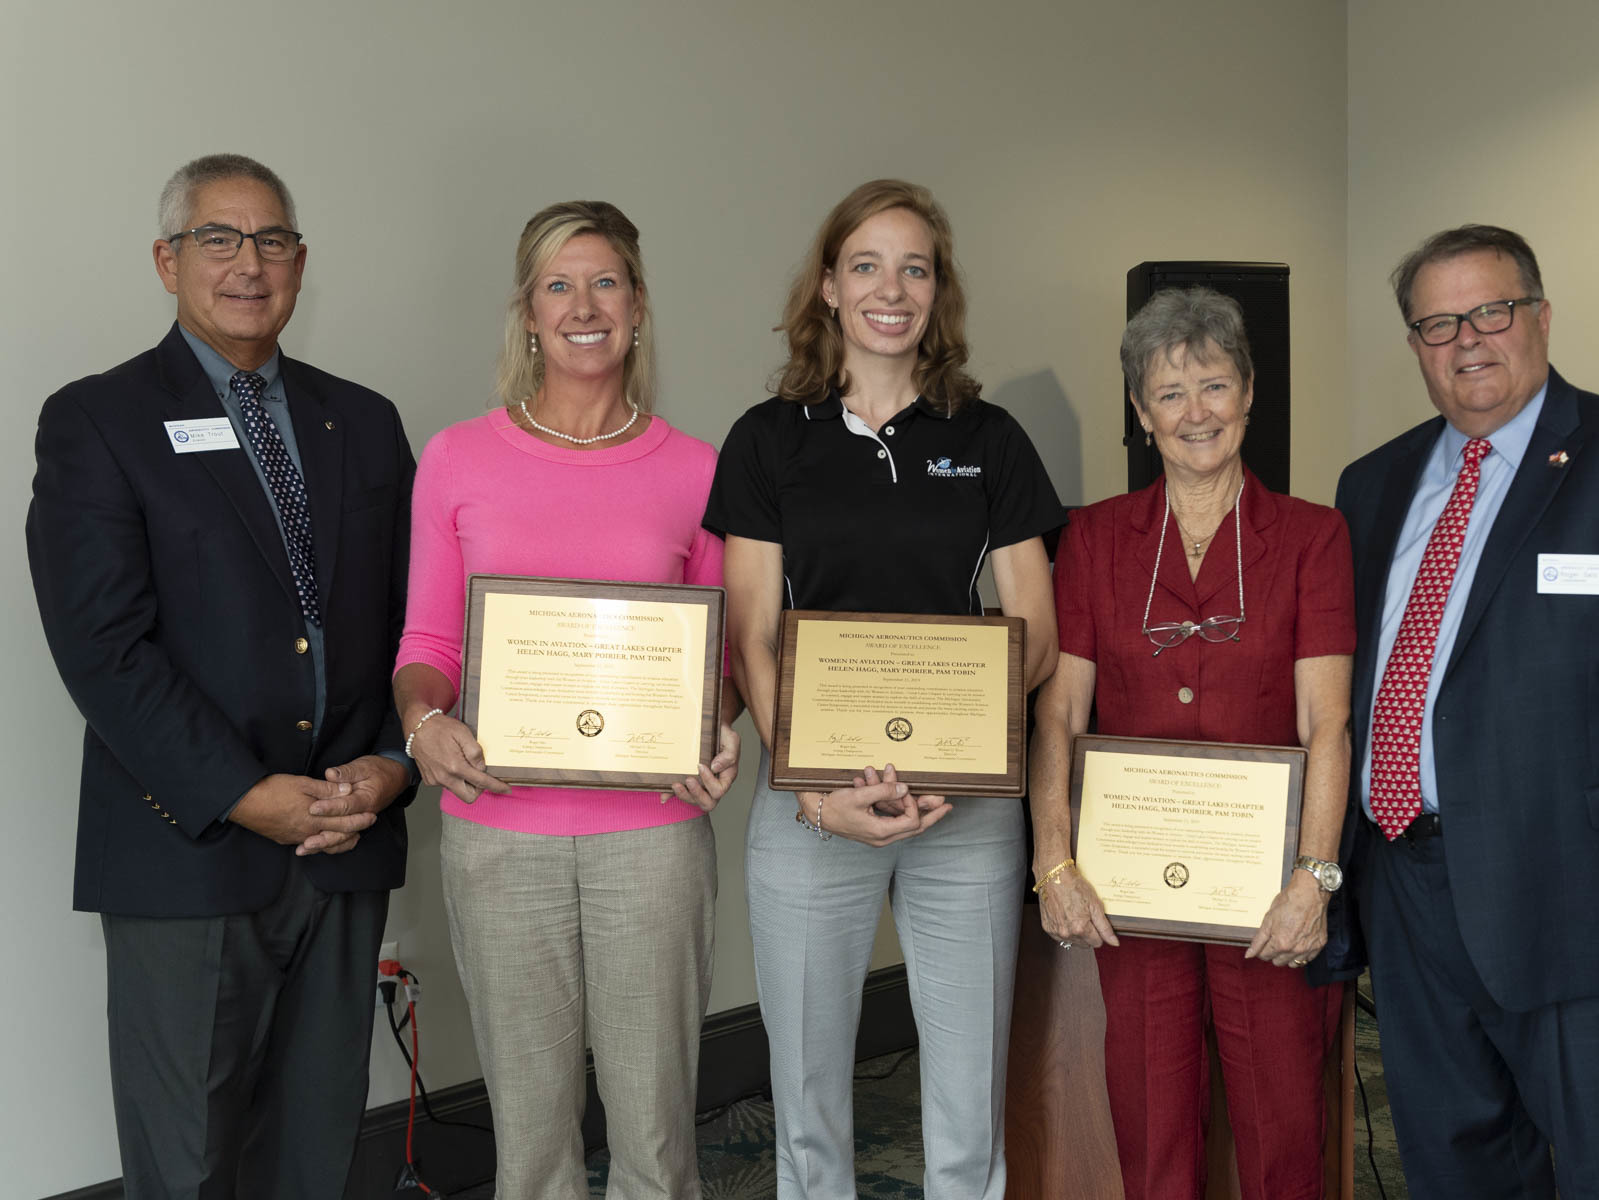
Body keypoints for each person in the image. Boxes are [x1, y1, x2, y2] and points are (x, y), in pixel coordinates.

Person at [1334, 224, 1599, 1199]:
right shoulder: (1372, 484)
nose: (1468, 341)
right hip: (1406, 885)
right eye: (1438, 324)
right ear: (1414, 345)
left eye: (1491, 311)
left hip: (1583, 896)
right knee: (1455, 1163)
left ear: (1541, 316)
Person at [25, 153, 415, 1198]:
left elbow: (415, 623)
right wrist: (244, 794)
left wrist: (391, 765)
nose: (250, 263)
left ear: (300, 263)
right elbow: (103, 648)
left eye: (272, 240)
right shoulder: (97, 421)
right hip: (187, 853)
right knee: (188, 1165)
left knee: (316, 1154)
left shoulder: (364, 421)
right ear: (168, 261)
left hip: (344, 844)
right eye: (219, 238)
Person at [703, 178, 1064, 1199]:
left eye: (915, 268)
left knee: (969, 1096)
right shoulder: (769, 439)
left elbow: (1036, 630)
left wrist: (962, 763)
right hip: (811, 803)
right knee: (807, 1096)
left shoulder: (989, 439)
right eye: (866, 265)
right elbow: (751, 635)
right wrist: (815, 790)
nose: (890, 289)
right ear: (828, 285)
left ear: (938, 290)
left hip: (964, 804)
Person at [393, 199, 740, 1199]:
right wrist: (423, 722)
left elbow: (718, 660)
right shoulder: (457, 458)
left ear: (637, 305)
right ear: (529, 312)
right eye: (559, 285)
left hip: (654, 837)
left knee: (657, 1137)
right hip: (500, 834)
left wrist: (719, 725)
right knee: (532, 1143)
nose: (583, 306)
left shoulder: (697, 469)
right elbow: (427, 645)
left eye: (605, 283)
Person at [1028, 286, 1354, 1199]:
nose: (1195, 412)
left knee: (1284, 1127)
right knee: (1150, 1123)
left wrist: (1314, 879)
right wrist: (1053, 862)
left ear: (1249, 393)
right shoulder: (1094, 538)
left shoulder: (1313, 536)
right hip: (1134, 891)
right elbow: (1060, 714)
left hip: (1270, 891)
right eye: (1170, 393)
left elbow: (1327, 721)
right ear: (1141, 412)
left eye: (1214, 386)